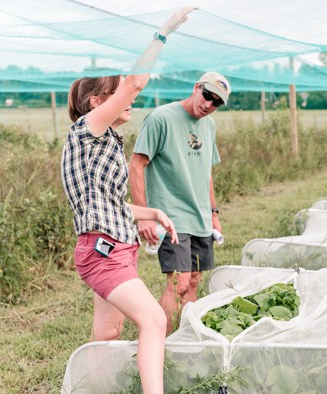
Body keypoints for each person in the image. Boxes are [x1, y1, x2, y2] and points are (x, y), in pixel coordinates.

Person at [60, 7, 195, 393]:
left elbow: (108, 204)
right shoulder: (88, 130)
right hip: (103, 251)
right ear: (96, 103)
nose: (128, 98)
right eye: (115, 93)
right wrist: (164, 31)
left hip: (111, 247)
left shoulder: (100, 143)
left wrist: (151, 212)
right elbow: (135, 82)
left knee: (108, 332)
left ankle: (96, 387)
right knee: (154, 320)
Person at [129, 71, 231, 333]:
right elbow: (137, 165)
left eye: (216, 102)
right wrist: (143, 216)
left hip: (200, 216)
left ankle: (183, 339)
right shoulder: (161, 118)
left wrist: (214, 213)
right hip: (171, 216)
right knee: (179, 283)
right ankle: (160, 343)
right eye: (207, 95)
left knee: (195, 280)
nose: (209, 104)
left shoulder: (208, 125)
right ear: (196, 87)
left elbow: (206, 171)